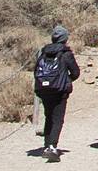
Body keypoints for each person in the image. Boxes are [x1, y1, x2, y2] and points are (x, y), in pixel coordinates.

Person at [33, 25, 80, 162]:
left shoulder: (43, 51)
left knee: (48, 116)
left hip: (44, 90)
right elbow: (75, 72)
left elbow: (36, 71)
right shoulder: (66, 53)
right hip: (60, 91)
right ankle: (52, 146)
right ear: (65, 38)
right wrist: (66, 80)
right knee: (58, 118)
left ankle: (47, 145)